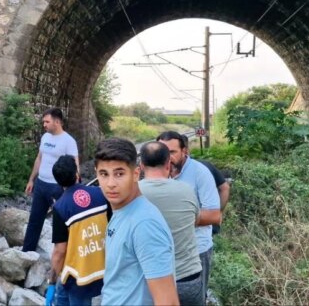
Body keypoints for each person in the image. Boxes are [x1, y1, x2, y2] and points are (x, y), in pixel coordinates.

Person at [95, 138, 180, 305]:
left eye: (119, 174)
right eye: (104, 174)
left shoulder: (144, 224)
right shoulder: (122, 211)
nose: (111, 184)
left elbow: (168, 301)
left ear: (136, 174)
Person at [139, 141, 204, 305]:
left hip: (150, 282)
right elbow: (195, 221)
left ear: (141, 165)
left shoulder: (132, 193)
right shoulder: (186, 190)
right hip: (188, 278)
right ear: (168, 164)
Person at [158, 131, 221, 301]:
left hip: (195, 251)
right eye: (163, 152)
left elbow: (215, 215)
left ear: (185, 151)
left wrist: (178, 220)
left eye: (172, 152)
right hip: (163, 250)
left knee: (195, 298)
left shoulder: (200, 173)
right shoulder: (155, 173)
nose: (167, 157)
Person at [50, 155, 109, 306]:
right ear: (77, 174)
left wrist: (51, 281)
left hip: (78, 274)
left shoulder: (60, 207)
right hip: (102, 265)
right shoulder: (100, 194)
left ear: (58, 182)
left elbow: (60, 251)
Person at [22, 108, 79, 252]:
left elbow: (74, 166)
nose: (44, 125)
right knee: (35, 220)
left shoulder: (68, 141)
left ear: (57, 122)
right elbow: (39, 158)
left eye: (47, 122)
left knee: (61, 222)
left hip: (57, 188)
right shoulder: (45, 137)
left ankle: (63, 255)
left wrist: (73, 189)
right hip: (41, 184)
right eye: (43, 122)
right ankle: (27, 252)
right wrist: (31, 180)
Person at [182, 134, 231, 235]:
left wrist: (218, 212)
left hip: (191, 227)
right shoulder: (205, 165)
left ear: (184, 150)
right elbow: (225, 187)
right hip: (205, 225)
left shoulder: (202, 167)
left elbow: (225, 187)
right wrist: (219, 211)